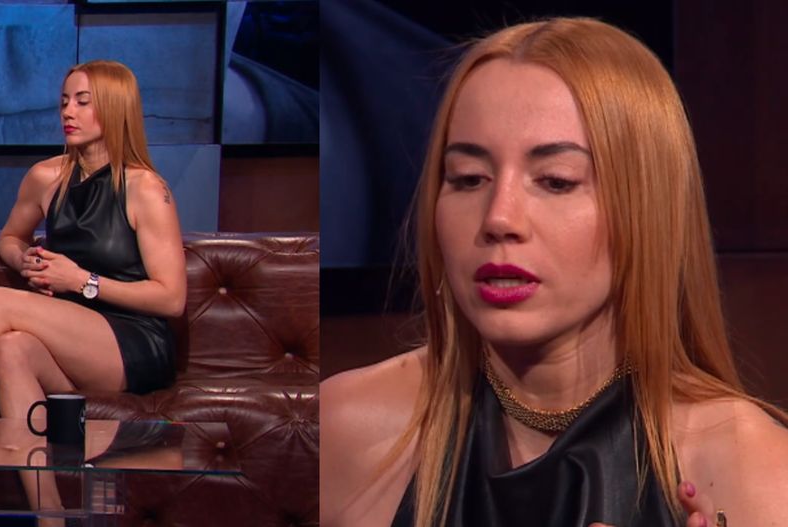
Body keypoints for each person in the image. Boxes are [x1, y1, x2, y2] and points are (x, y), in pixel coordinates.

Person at [320, 18, 788, 527]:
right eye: (469, 178)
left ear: (648, 210)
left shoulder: (754, 470)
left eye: (556, 182)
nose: (499, 218)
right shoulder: (345, 432)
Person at [0, 60, 186, 517]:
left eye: (82, 102)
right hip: (71, 336)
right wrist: (24, 259)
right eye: (63, 102)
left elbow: (172, 298)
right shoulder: (45, 177)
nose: (67, 112)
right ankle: (50, 516)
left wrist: (82, 281)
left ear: (114, 109)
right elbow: (10, 238)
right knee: (11, 348)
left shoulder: (146, 189)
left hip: (133, 340)